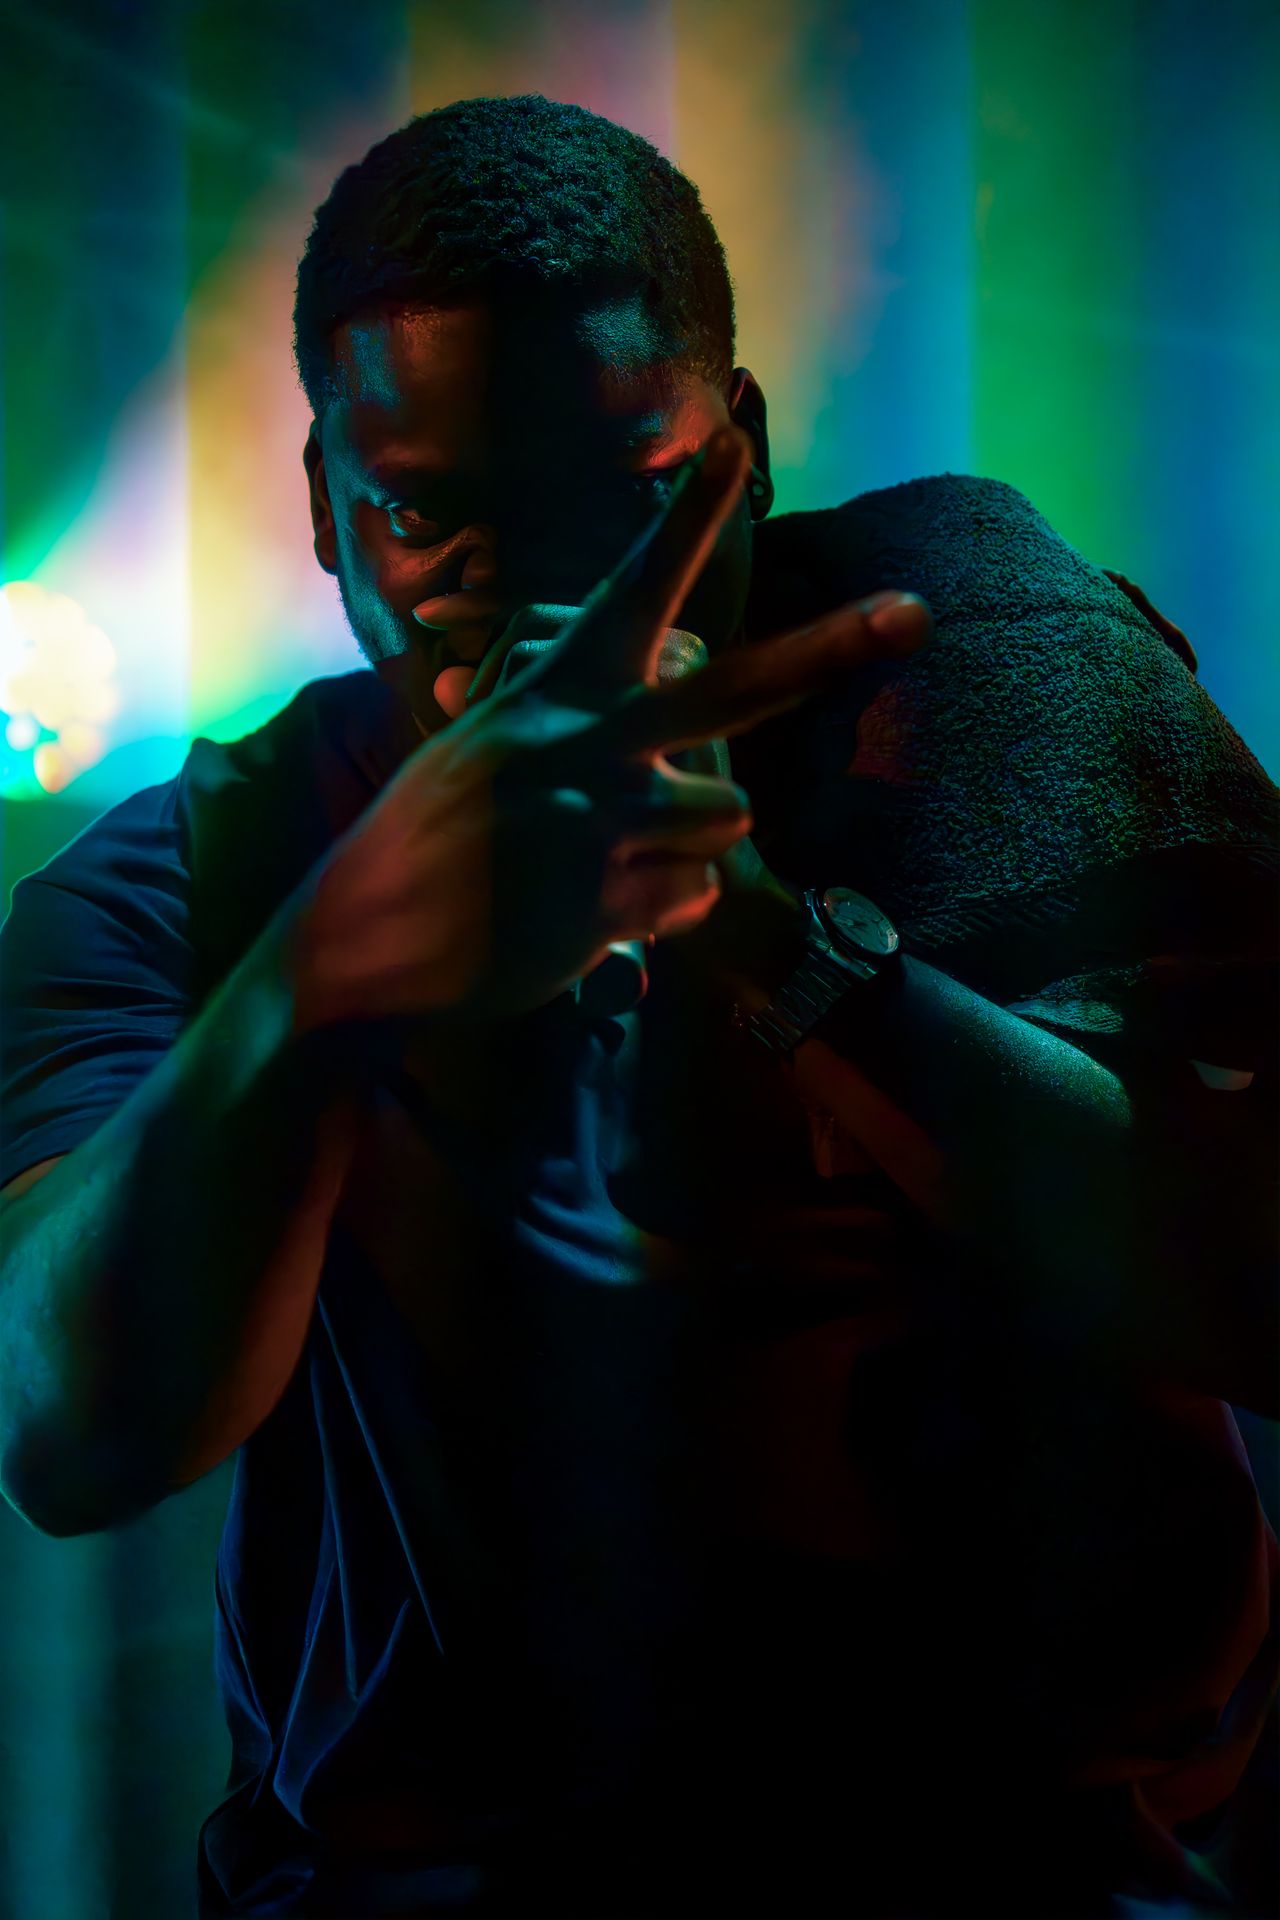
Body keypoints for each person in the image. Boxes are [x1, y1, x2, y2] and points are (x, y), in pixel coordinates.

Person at [0, 95, 1275, 1920]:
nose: (542, 593)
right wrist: (334, 961)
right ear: (325, 508)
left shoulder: (981, 659)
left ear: (741, 449)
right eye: (430, 515)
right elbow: (65, 1431)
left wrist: (764, 938)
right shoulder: (192, 872)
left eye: (627, 496)